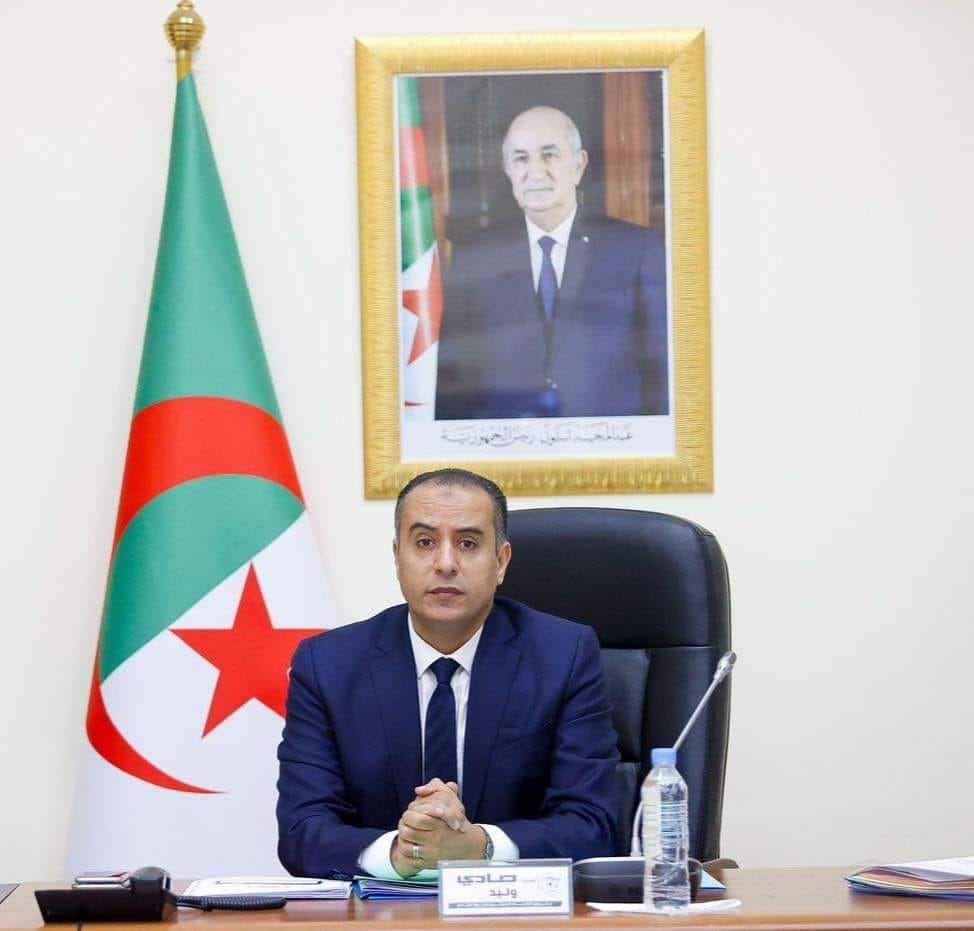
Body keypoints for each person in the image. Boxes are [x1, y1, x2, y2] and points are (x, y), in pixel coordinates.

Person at [276, 468, 619, 879]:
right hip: (377, 909)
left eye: (468, 543)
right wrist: (401, 852)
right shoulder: (328, 665)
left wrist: (479, 846)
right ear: (397, 557)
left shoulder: (563, 656)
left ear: (501, 562)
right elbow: (301, 830)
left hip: (516, 908)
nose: (445, 564)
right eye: (424, 542)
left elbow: (593, 824)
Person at [435, 105, 669, 421]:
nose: (535, 172)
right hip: (506, 443)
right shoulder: (474, 256)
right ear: (508, 169)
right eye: (521, 158)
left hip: (607, 444)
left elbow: (663, 376)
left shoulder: (635, 249)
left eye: (550, 155)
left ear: (578, 165)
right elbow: (453, 379)